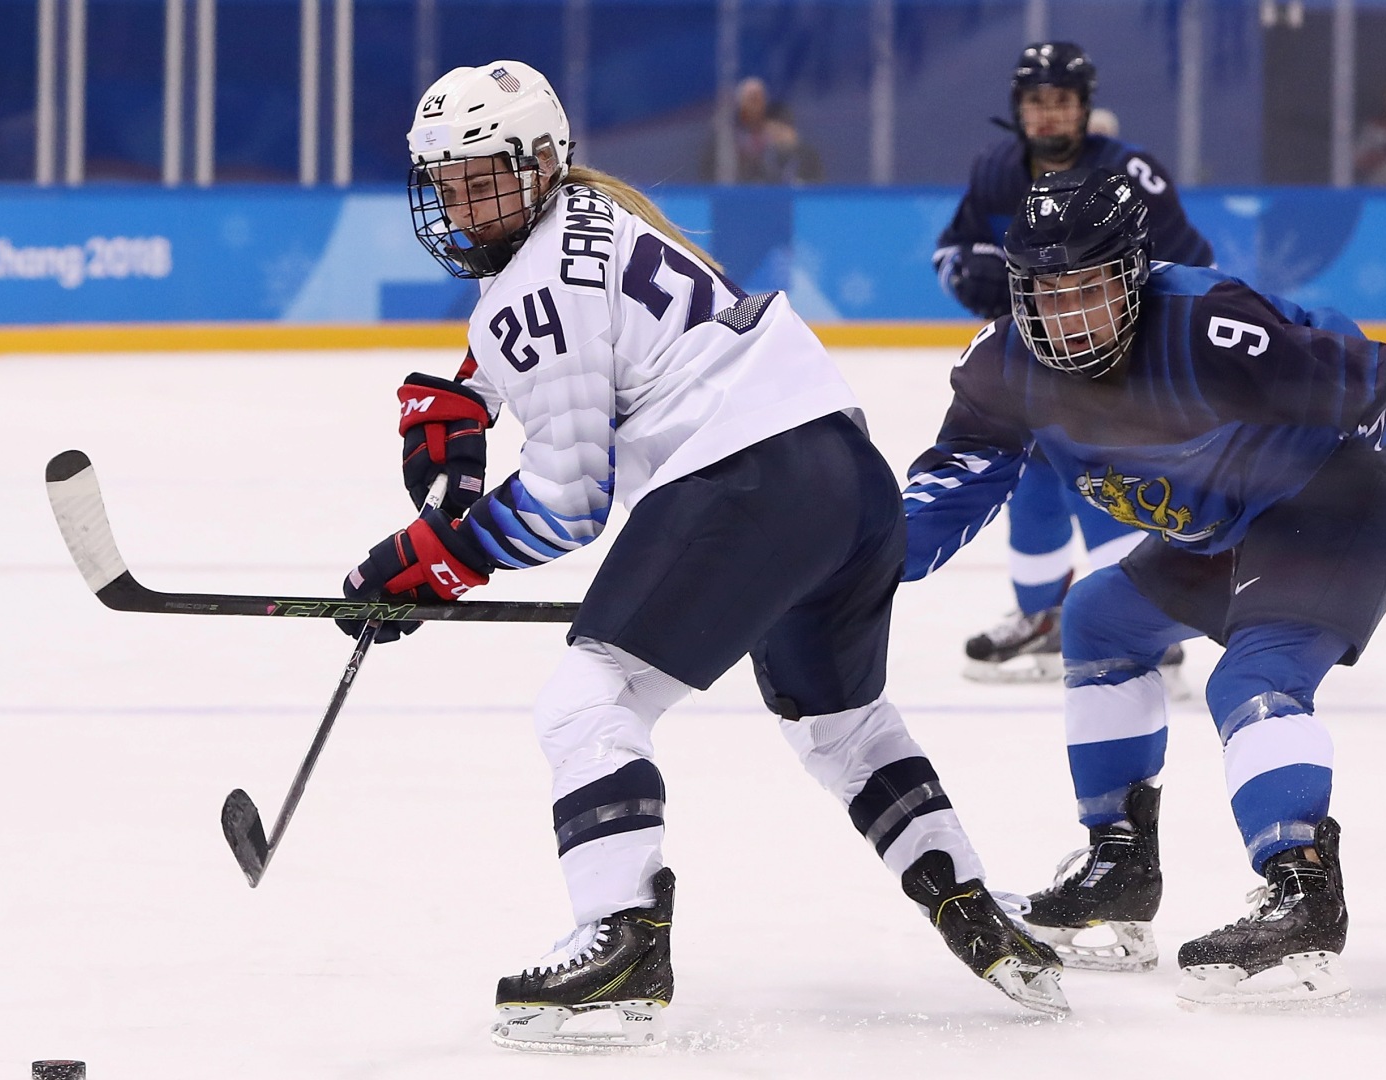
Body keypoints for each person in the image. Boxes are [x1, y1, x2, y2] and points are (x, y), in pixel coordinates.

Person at [349, 59, 1068, 1052]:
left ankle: (622, 938)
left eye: (489, 179)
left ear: (546, 163)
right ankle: (974, 907)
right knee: (842, 726)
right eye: (450, 184)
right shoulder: (608, 215)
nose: (467, 207)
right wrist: (465, 394)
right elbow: (565, 320)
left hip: (746, 483)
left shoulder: (530, 285)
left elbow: (568, 505)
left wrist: (431, 556)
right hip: (846, 478)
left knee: (586, 700)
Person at [903, 167, 1386, 1005]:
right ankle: (1119, 869)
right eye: (1045, 294)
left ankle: (1302, 894)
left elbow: (1381, 385)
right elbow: (956, 478)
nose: (1067, 319)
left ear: (1135, 274)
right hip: (1234, 516)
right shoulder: (1002, 366)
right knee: (1101, 619)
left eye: (1089, 289)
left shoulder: (1209, 327)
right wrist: (860, 551)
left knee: (1252, 679)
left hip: (1341, 494)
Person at [932, 43, 1213, 687]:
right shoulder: (996, 170)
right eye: (1037, 102)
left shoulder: (1133, 175)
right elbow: (949, 251)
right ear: (1018, 110)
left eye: (1062, 101)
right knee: (1029, 482)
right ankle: (1042, 618)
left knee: (1100, 478)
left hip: (1123, 365)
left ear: (1085, 107)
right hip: (1034, 365)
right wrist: (970, 273)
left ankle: (1147, 618)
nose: (1050, 115)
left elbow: (1198, 272)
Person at [701, 76, 824, 184]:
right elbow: (709, 174)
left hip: (776, 197)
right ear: (740, 103)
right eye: (750, 98)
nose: (755, 104)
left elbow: (808, 171)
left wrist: (791, 147)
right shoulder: (726, 139)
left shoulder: (779, 133)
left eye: (759, 97)